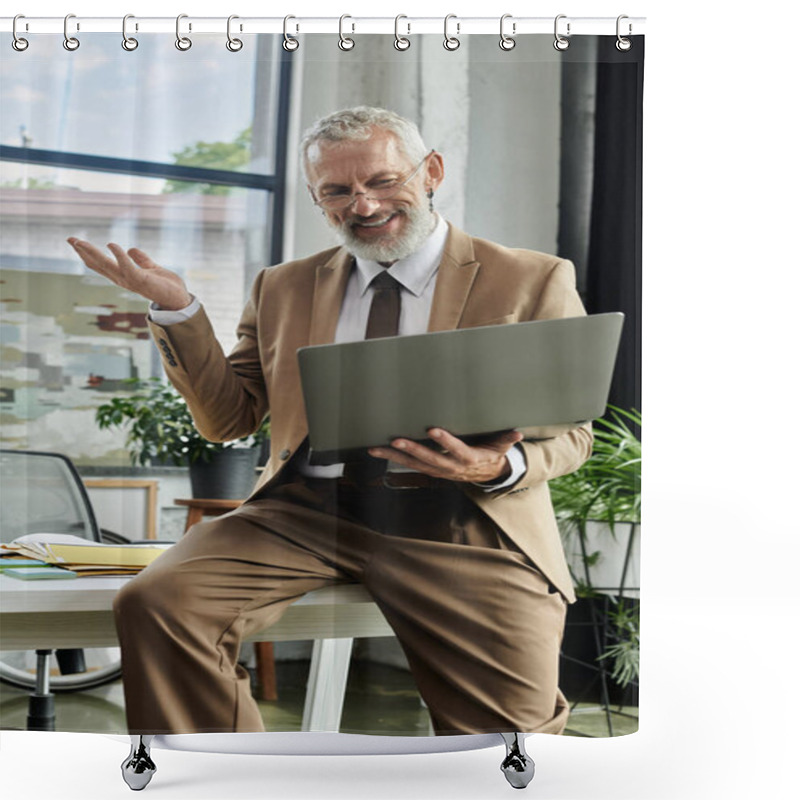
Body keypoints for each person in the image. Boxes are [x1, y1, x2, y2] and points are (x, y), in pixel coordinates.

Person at [67, 106, 592, 740]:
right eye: (337, 192)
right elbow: (228, 418)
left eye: (381, 181)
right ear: (319, 202)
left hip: (459, 523)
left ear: (431, 172)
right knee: (155, 603)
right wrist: (178, 311)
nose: (363, 206)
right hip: (303, 514)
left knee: (514, 745)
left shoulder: (530, 280)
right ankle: (222, 780)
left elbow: (571, 434)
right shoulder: (282, 287)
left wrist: (494, 466)